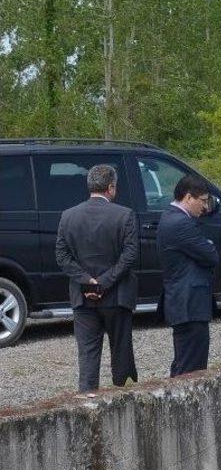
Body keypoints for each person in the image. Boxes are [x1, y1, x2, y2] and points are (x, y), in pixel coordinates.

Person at [55, 164, 138, 392]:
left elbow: (61, 255)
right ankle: (125, 401)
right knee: (122, 354)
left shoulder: (68, 216)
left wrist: (85, 280)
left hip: (83, 299)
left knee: (88, 357)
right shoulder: (125, 215)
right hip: (117, 296)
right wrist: (105, 281)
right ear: (111, 187)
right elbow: (130, 255)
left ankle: (87, 403)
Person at [156, 175, 218, 377]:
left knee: (185, 361)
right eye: (203, 200)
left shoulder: (173, 217)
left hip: (185, 302)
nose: (206, 207)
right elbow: (211, 256)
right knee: (191, 369)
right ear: (189, 197)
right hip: (189, 303)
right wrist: (208, 246)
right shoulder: (180, 223)